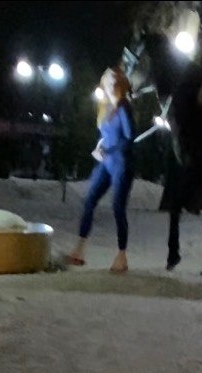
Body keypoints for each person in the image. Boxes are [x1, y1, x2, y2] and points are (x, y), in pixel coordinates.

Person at [67, 67, 137, 273]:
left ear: (117, 84)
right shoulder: (106, 106)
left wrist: (109, 149)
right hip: (106, 162)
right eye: (105, 80)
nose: (106, 83)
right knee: (90, 200)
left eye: (110, 80)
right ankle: (79, 249)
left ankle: (121, 255)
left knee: (118, 207)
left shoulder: (124, 107)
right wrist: (101, 146)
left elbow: (129, 138)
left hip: (122, 164)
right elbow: (107, 134)